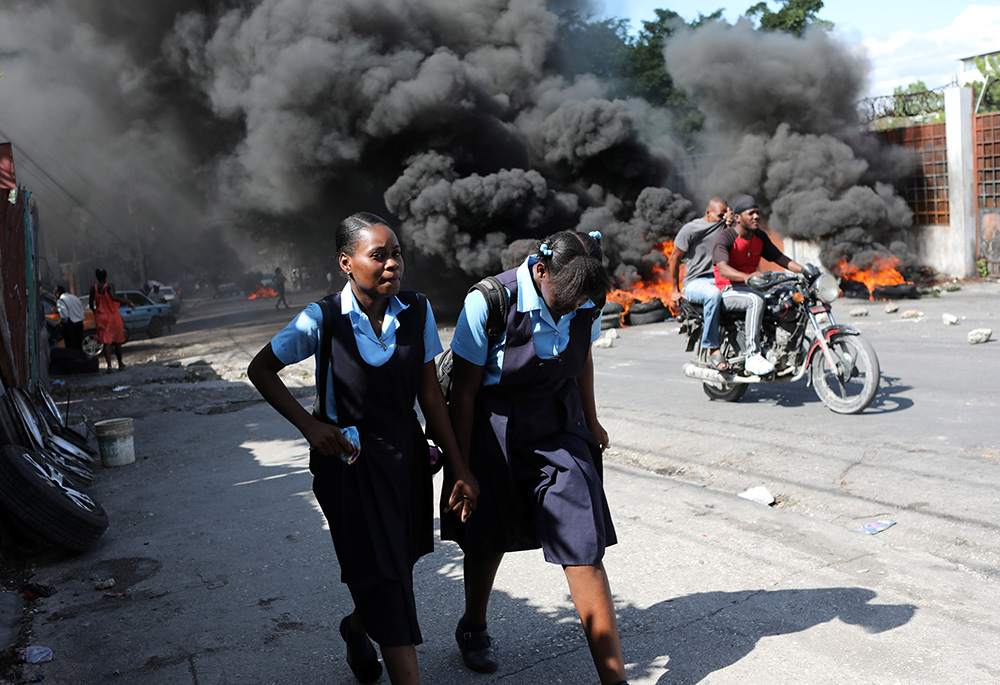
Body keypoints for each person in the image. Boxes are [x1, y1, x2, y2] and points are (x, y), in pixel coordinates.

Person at [247, 212, 479, 685]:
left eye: (397, 254)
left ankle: (356, 628)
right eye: (379, 255)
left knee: (393, 567)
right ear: (346, 262)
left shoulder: (416, 310)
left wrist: (459, 467)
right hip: (347, 468)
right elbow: (261, 369)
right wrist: (310, 426)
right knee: (386, 577)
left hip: (405, 460)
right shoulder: (322, 318)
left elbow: (430, 392)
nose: (393, 263)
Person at [445, 230, 628, 685]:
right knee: (488, 537)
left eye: (582, 301)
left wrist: (592, 419)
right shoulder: (490, 301)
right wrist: (462, 469)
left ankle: (615, 681)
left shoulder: (586, 299)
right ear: (539, 270)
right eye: (564, 299)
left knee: (584, 545)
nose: (572, 308)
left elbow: (582, 357)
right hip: (495, 428)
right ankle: (473, 627)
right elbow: (465, 392)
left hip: (558, 426)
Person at [712, 194, 802, 376]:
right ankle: (752, 355)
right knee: (756, 300)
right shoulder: (725, 237)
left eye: (757, 213)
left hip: (751, 286)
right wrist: (746, 277)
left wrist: (805, 270)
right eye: (751, 213)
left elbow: (779, 258)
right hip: (728, 289)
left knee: (788, 296)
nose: (756, 217)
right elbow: (723, 268)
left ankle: (784, 347)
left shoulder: (759, 237)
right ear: (737, 218)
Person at [669, 197, 730, 370]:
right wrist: (675, 289)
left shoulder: (727, 227)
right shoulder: (690, 229)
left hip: (721, 279)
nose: (724, 218)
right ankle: (712, 347)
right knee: (713, 294)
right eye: (720, 215)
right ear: (708, 213)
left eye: (726, 214)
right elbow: (674, 258)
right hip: (697, 282)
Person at [88, 269, 132, 373]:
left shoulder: (93, 288)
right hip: (113, 316)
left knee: (106, 342)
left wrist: (96, 312)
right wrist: (128, 301)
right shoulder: (109, 286)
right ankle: (120, 364)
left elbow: (91, 304)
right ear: (106, 276)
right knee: (117, 340)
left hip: (101, 317)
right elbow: (113, 297)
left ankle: (109, 366)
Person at [54, 285, 86, 351]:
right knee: (79, 345)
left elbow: (64, 316)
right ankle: (80, 358)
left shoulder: (61, 301)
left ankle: (74, 360)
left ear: (57, 294)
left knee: (71, 346)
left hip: (70, 325)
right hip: (80, 323)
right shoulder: (74, 297)